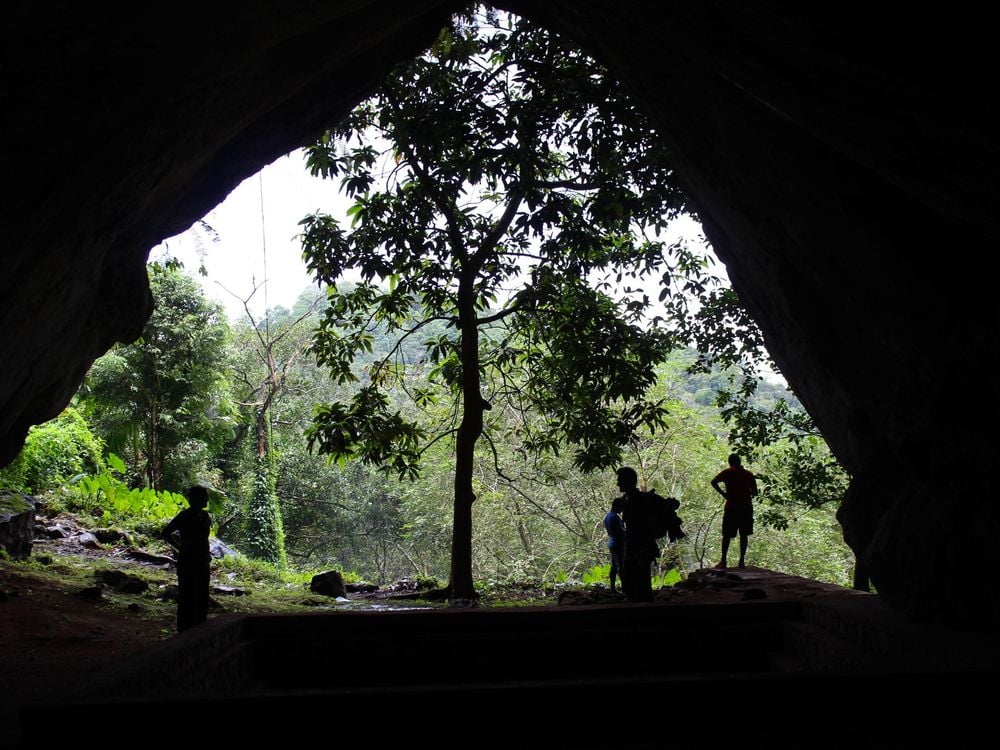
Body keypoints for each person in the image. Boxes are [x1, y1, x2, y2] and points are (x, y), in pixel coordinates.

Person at [162, 484, 212, 631]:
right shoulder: (185, 516)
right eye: (204, 497)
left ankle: (200, 626)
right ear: (196, 499)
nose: (207, 500)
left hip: (202, 561)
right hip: (189, 561)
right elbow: (166, 532)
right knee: (187, 596)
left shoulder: (205, 516)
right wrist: (181, 547)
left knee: (202, 595)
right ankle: (184, 630)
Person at [616, 466, 659, 602]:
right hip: (632, 548)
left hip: (639, 549)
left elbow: (650, 527)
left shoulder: (638, 501)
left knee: (641, 585)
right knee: (632, 585)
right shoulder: (628, 499)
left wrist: (645, 550)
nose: (617, 483)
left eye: (620, 480)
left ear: (628, 481)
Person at [710, 453, 758, 569]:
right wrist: (745, 493)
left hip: (732, 507)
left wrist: (724, 494)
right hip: (746, 507)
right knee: (744, 534)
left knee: (727, 534)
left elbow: (713, 482)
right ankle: (741, 561)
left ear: (730, 462)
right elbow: (755, 492)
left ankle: (723, 561)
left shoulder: (727, 472)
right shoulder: (748, 474)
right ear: (740, 462)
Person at [603, 496, 627, 592]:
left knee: (614, 566)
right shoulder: (615, 517)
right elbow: (620, 532)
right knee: (620, 566)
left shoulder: (608, 516)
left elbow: (611, 532)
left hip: (613, 544)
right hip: (618, 544)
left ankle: (612, 587)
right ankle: (625, 588)